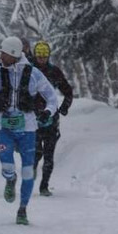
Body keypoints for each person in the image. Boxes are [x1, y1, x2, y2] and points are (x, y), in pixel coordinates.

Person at [0, 36, 59, 224]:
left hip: (28, 127)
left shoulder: (34, 73)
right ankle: (10, 179)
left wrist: (47, 112)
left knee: (28, 170)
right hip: (3, 126)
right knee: (7, 166)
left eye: (3, 53)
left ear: (13, 54)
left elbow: (52, 98)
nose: (0, 56)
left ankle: (23, 209)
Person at [32, 41, 74, 195]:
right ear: (35, 56)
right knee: (36, 153)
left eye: (44, 56)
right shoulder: (29, 70)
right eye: (39, 56)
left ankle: (44, 186)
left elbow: (68, 91)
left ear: (48, 56)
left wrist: (64, 107)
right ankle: (31, 176)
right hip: (33, 119)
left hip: (51, 119)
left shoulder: (55, 71)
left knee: (49, 155)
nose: (41, 59)